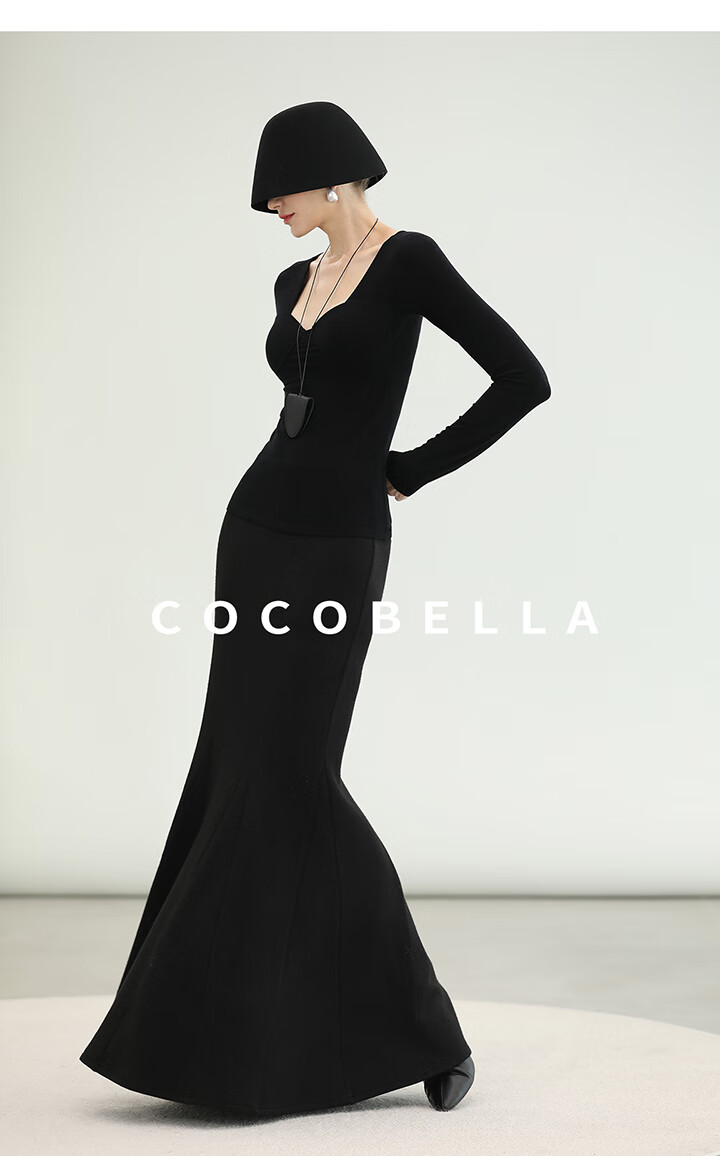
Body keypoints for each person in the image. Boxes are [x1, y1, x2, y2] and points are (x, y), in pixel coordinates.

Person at [79, 100, 551, 1117]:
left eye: (279, 191)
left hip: (339, 544)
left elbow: (524, 379)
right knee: (238, 766)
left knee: (296, 773)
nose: (270, 210)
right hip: (255, 531)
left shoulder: (410, 261)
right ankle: (217, 1040)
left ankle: (425, 1030)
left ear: (334, 175)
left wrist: (412, 469)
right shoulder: (292, 282)